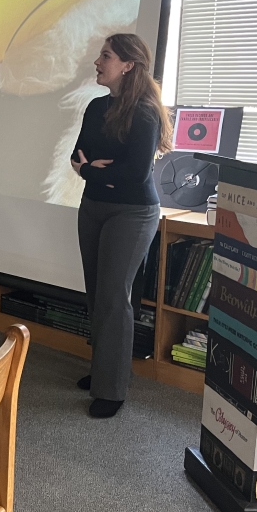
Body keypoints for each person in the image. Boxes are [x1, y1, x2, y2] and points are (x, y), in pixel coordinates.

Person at [70, 33, 172, 418]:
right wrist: (93, 171)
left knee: (114, 296)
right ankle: (102, 370)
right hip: (93, 207)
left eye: (106, 56)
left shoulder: (144, 112)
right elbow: (77, 157)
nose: (98, 61)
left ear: (128, 65)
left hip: (132, 213)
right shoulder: (96, 108)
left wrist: (92, 171)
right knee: (98, 294)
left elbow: (133, 175)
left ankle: (112, 389)